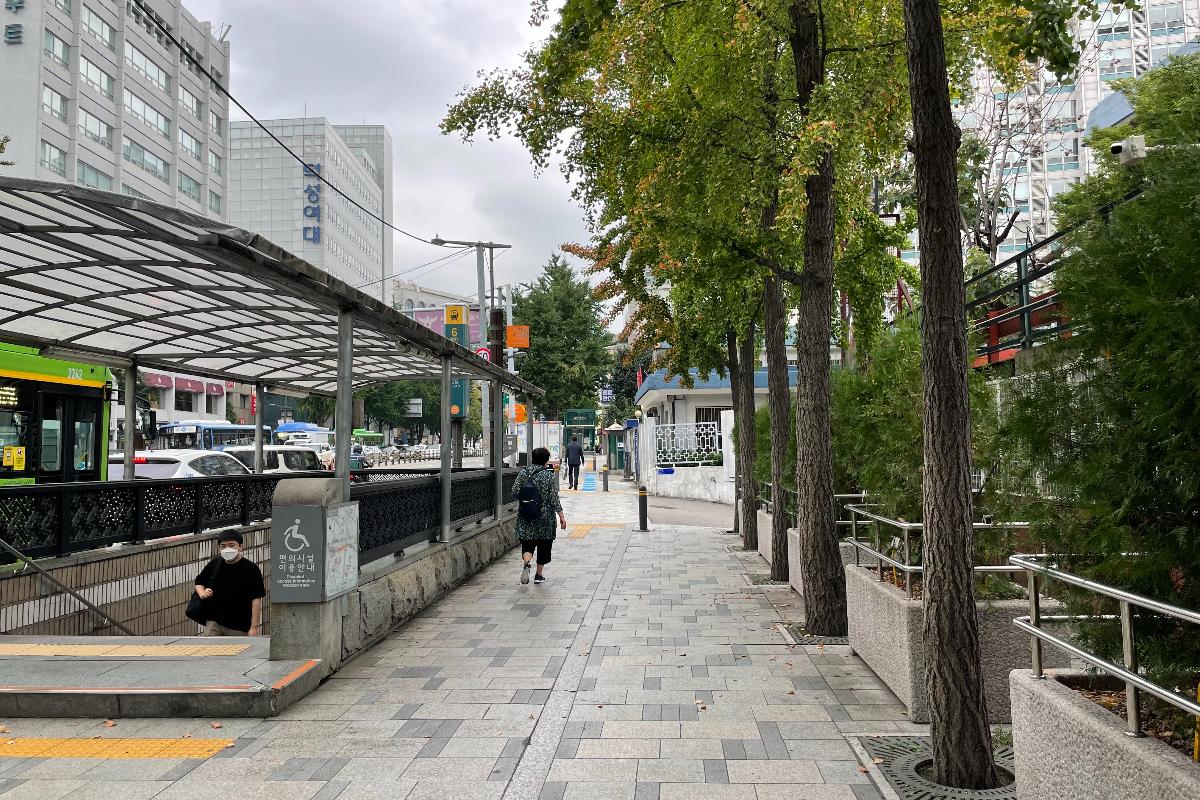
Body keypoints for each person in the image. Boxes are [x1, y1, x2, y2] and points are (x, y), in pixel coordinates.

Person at [193, 531, 265, 636]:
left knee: (238, 651)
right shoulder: (215, 563)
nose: (227, 549)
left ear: (240, 546)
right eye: (223, 546)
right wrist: (202, 593)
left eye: (232, 545)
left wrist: (254, 627)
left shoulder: (251, 569)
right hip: (214, 622)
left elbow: (256, 599)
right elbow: (199, 581)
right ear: (219, 547)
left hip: (239, 626)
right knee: (207, 650)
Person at [513, 446, 566, 585]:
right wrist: (561, 516)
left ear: (533, 458)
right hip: (545, 517)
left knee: (528, 544)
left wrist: (527, 500)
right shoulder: (548, 475)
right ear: (546, 461)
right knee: (544, 545)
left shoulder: (523, 473)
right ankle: (538, 575)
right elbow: (554, 498)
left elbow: (514, 492)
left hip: (526, 515)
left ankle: (526, 563)